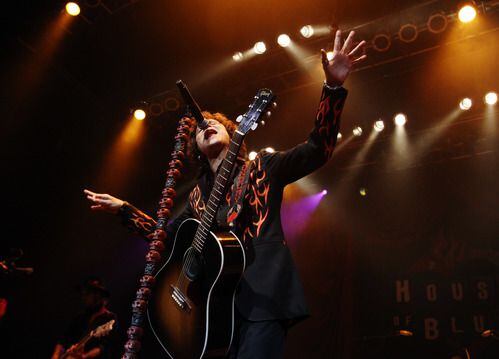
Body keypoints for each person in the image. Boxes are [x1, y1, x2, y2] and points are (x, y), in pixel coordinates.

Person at [84, 30, 366, 358]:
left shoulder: (263, 168)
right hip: (215, 308)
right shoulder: (197, 198)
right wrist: (123, 209)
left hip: (264, 295)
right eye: (199, 130)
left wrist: (333, 88)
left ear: (232, 131)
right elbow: (163, 238)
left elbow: (318, 149)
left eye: (214, 123)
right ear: (196, 149)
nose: (206, 126)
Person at [51, 278, 118, 359]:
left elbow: (104, 347)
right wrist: (55, 355)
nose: (84, 298)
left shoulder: (110, 318)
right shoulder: (80, 317)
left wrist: (84, 356)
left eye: (87, 294)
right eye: (83, 294)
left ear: (98, 296)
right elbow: (63, 339)